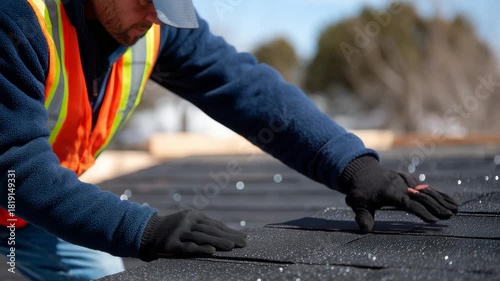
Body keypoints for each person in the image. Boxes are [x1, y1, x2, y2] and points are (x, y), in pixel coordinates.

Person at [0, 0, 459, 280]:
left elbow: (244, 88)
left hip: (33, 218)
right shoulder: (20, 17)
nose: (154, 15)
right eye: (145, 0)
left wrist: (354, 166)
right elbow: (18, 168)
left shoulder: (153, 23)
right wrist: (141, 229)